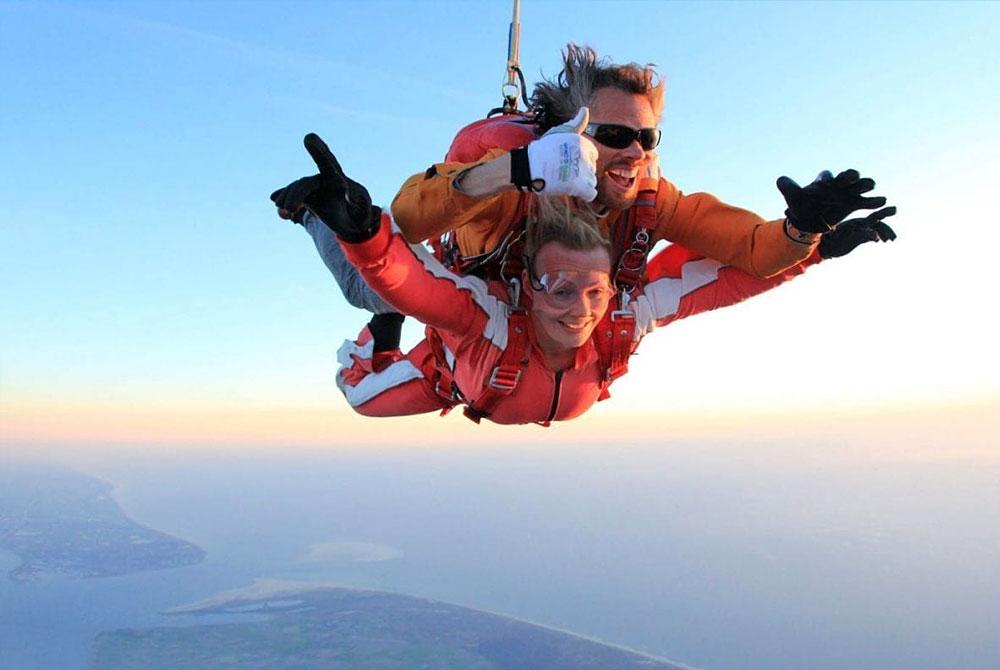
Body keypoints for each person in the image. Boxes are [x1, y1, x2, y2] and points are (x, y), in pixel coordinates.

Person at [272, 44, 888, 363]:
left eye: (648, 139)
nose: (634, 154)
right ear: (573, 135)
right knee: (366, 285)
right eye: (615, 136)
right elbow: (410, 216)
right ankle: (312, 212)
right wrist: (518, 171)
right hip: (475, 276)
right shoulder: (517, 173)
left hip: (555, 300)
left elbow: (750, 250)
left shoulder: (649, 195)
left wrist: (802, 229)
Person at [295, 134, 896, 426]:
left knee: (381, 289)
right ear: (527, 290)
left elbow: (723, 281)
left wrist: (814, 241)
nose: (581, 310)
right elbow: (413, 281)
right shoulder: (488, 321)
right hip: (453, 375)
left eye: (595, 290)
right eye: (559, 287)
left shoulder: (625, 315)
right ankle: (324, 238)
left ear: (613, 288)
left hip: (481, 386)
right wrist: (363, 232)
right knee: (361, 388)